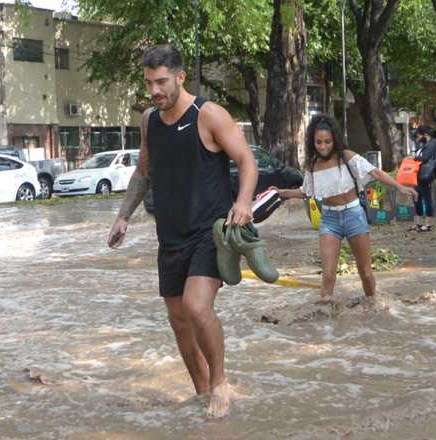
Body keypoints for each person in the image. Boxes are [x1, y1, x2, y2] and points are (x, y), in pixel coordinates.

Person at [106, 44, 257, 419]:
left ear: (180, 77)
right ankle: (200, 390)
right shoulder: (150, 122)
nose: (154, 91)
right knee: (178, 320)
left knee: (195, 307)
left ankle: (220, 384)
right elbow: (144, 172)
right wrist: (123, 215)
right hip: (170, 236)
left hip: (211, 232)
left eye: (161, 82)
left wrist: (243, 203)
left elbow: (246, 160)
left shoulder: (208, 115)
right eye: (149, 83)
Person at [270, 114, 417, 301]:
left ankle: (374, 306)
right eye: (318, 142)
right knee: (329, 275)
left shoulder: (347, 157)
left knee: (365, 272)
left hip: (354, 215)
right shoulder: (313, 165)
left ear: (335, 140)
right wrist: (281, 192)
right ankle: (325, 322)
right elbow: (305, 192)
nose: (323, 146)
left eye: (327, 142)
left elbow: (375, 173)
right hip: (329, 221)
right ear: (312, 142)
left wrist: (399, 186)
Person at [411, 126, 436, 231]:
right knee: (416, 198)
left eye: (418, 134)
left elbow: (425, 158)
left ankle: (428, 224)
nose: (417, 136)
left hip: (426, 175)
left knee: (427, 199)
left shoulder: (432, 143)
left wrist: (413, 158)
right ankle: (418, 223)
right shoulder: (424, 144)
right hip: (418, 175)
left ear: (424, 134)